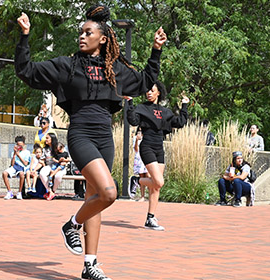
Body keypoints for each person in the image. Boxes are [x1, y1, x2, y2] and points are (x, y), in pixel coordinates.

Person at [15, 3, 166, 279]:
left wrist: (156, 49)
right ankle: (71, 225)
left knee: (94, 197)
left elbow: (145, 81)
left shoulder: (116, 69)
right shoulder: (67, 66)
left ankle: (90, 264)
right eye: (80, 33)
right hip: (81, 133)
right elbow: (27, 71)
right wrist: (24, 36)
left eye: (88, 32)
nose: (81, 37)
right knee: (109, 193)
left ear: (103, 38)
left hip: (104, 137)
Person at [126, 81, 189, 231]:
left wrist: (184, 106)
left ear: (158, 92)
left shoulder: (165, 111)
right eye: (147, 90)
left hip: (159, 148)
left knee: (155, 188)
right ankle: (137, 180)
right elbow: (133, 120)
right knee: (159, 182)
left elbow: (180, 122)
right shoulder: (141, 108)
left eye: (152, 90)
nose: (149, 93)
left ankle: (150, 218)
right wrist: (129, 102)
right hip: (147, 146)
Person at [2, 135, 31, 200]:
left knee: (21, 174)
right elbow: (12, 164)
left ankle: (19, 192)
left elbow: (25, 163)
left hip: (22, 167)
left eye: (21, 145)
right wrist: (15, 155)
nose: (19, 147)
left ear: (23, 144)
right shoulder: (13, 152)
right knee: (4, 173)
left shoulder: (27, 152)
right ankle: (9, 192)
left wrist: (19, 155)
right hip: (14, 167)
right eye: (18, 145)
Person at [39, 133, 65, 201]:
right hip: (49, 166)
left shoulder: (59, 147)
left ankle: (53, 191)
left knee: (58, 176)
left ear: (52, 139)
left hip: (59, 166)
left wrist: (57, 169)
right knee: (42, 173)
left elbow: (65, 157)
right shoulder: (45, 149)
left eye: (47, 138)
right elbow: (42, 160)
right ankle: (49, 191)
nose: (46, 139)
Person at [129, 127, 148, 202]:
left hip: (147, 157)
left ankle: (151, 195)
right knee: (142, 177)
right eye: (138, 131)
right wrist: (137, 139)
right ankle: (142, 196)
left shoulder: (147, 136)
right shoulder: (135, 138)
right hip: (139, 159)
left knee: (149, 176)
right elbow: (136, 149)